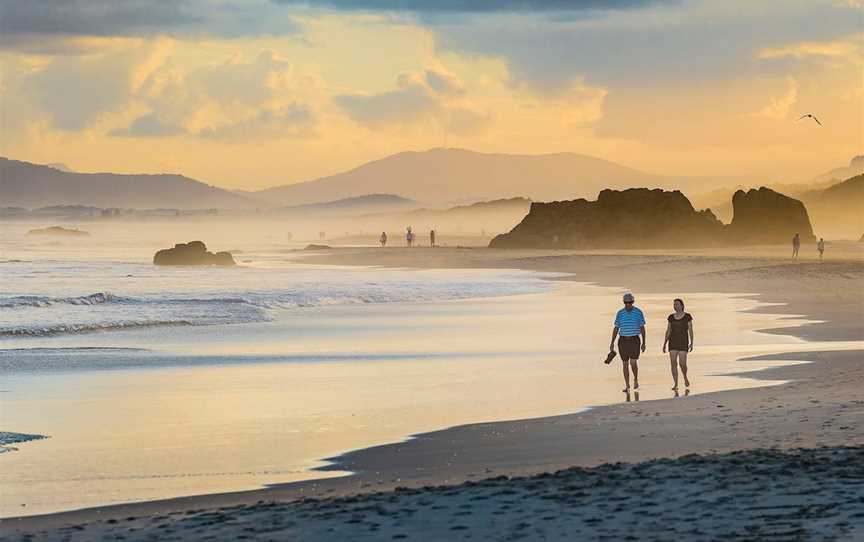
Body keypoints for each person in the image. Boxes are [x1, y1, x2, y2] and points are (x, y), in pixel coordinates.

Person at [609, 293, 646, 392]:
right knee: (625, 363)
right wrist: (612, 342)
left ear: (633, 302)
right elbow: (616, 328)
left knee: (633, 362)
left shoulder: (638, 312)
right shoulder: (620, 313)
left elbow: (642, 328)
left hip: (634, 340)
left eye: (629, 302)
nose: (628, 304)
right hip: (622, 340)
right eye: (626, 302)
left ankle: (635, 379)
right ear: (624, 302)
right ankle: (627, 385)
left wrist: (644, 342)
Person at [663, 298, 694, 391]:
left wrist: (692, 343)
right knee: (673, 363)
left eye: (676, 304)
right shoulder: (671, 317)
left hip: (683, 342)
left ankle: (685, 376)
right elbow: (668, 331)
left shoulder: (687, 316)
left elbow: (691, 330)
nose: (675, 306)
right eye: (674, 304)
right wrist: (664, 343)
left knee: (682, 364)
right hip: (672, 342)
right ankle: (675, 384)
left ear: (681, 305)